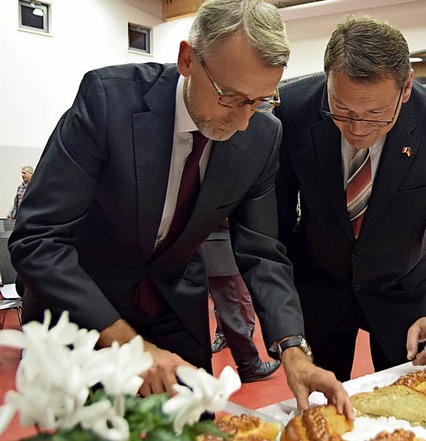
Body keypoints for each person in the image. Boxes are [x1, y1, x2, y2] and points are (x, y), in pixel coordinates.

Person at [8, 0, 351, 416]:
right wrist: (130, 344)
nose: (242, 122)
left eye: (260, 101)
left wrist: (295, 351)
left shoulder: (262, 135)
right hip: (79, 307)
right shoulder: (108, 101)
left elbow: (262, 252)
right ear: (187, 59)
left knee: (194, 421)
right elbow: (37, 239)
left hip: (170, 303)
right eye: (230, 97)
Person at [275, 15, 426, 381]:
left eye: (375, 115)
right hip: (318, 292)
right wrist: (286, 321)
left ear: (405, 89)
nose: (357, 129)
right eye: (341, 110)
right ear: (327, 81)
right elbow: (274, 229)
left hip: (405, 297)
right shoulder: (292, 109)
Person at [203, 220, 280, 383]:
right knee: (230, 306)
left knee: (226, 303)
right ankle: (249, 365)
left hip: (205, 246)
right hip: (215, 245)